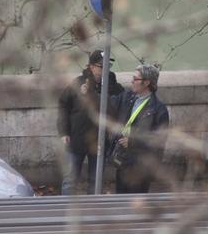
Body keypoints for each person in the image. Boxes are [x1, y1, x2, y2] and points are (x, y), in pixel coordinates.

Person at [57, 50, 124, 195]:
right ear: (92, 67)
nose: (105, 69)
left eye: (108, 66)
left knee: (96, 180)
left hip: (100, 142)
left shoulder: (113, 87)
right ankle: (64, 209)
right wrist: (64, 132)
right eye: (101, 66)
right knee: (70, 179)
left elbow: (117, 109)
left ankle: (93, 211)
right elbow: (63, 105)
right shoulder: (78, 83)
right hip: (77, 139)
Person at [110, 64, 169, 193]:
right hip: (123, 162)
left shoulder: (158, 109)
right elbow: (106, 103)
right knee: (120, 202)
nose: (132, 81)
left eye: (136, 79)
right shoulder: (127, 98)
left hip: (141, 168)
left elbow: (158, 141)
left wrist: (132, 141)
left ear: (147, 82)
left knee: (136, 204)